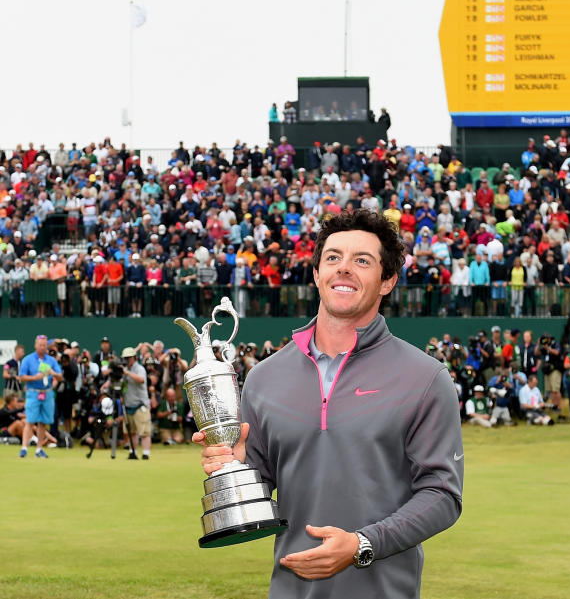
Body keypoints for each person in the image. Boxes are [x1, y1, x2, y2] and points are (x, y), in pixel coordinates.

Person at [194, 209, 463, 597]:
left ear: (387, 281)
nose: (344, 269)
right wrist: (233, 469)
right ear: (317, 274)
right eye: (333, 257)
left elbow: (442, 495)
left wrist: (363, 544)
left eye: (362, 261)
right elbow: (260, 484)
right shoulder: (264, 378)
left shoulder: (424, 377)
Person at [18, 335, 62, 458]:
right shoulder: (28, 359)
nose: (42, 348)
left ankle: (39, 449)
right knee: (30, 421)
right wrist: (34, 377)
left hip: (47, 393)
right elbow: (21, 377)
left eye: (44, 345)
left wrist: (53, 373)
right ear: (35, 345)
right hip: (33, 392)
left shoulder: (51, 360)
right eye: (40, 345)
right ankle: (24, 448)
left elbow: (60, 377)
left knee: (43, 422)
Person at [121, 346, 152, 460]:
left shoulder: (139, 369)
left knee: (144, 432)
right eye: (125, 358)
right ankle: (132, 452)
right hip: (128, 405)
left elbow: (141, 380)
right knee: (131, 432)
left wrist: (127, 373)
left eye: (128, 358)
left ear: (134, 358)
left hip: (140, 405)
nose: (126, 360)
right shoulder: (123, 370)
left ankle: (145, 454)